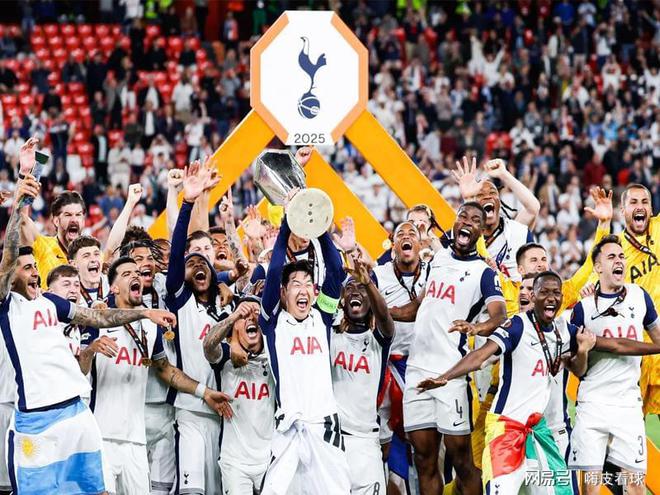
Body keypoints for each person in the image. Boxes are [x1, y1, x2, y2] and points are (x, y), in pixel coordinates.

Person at [0, 175, 177, 495]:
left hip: (75, 413)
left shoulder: (51, 302)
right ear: (11, 278)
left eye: (35, 267)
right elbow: (9, 257)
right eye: (27, 268)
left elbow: (96, 316)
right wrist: (19, 206)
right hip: (35, 419)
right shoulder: (8, 306)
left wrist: (143, 313)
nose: (35, 272)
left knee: (96, 491)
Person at [418, 271, 660, 494]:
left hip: (537, 432)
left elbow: (616, 344)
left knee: (561, 490)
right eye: (544, 292)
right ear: (533, 296)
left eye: (556, 292)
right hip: (507, 430)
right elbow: (480, 355)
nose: (551, 297)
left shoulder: (564, 330)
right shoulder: (517, 326)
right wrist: (445, 377)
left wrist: (656, 347)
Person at [86, 256, 231, 495]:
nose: (135, 276)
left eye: (136, 272)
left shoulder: (149, 326)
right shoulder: (97, 320)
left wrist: (204, 392)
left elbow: (166, 370)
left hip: (136, 440)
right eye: (126, 274)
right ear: (113, 287)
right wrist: (90, 350)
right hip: (102, 436)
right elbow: (80, 368)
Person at [394, 202, 507, 495]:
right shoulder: (438, 259)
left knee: (461, 460)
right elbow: (419, 307)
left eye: (475, 219)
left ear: (481, 230)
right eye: (462, 216)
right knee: (424, 459)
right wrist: (385, 311)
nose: (467, 222)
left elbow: (499, 316)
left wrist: (477, 327)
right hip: (416, 371)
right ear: (455, 224)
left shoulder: (484, 273)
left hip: (451, 374)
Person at [259, 189, 351, 495]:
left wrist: (319, 225)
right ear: (283, 293)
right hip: (289, 428)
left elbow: (336, 270)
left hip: (325, 425)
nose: (303, 289)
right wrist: (288, 221)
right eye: (295, 284)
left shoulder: (322, 317)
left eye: (308, 284)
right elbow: (274, 271)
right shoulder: (273, 323)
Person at [569, 236, 660, 494]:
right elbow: (577, 369)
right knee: (591, 485)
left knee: (635, 483)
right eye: (611, 257)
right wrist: (583, 351)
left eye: (621, 256)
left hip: (628, 403)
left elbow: (658, 338)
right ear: (597, 267)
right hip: (592, 404)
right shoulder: (583, 308)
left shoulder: (639, 297)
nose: (619, 261)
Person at [166, 160, 230, 494]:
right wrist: (188, 202)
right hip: (190, 412)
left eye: (203, 262)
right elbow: (178, 251)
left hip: (227, 417)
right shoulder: (182, 302)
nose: (197, 266)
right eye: (190, 264)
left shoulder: (228, 306)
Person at [371, 220, 429, 491]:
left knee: (425, 445)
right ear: (393, 245)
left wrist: (385, 312)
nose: (406, 237)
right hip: (386, 367)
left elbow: (419, 309)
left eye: (412, 233)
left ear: (420, 243)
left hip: (424, 366)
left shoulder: (435, 272)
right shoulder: (378, 275)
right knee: (385, 444)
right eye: (400, 234)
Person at [332, 257, 394, 494]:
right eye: (350, 287)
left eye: (362, 288)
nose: (355, 292)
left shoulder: (379, 340)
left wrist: (368, 282)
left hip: (366, 442)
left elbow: (385, 319)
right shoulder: (329, 336)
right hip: (332, 440)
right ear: (343, 299)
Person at [118, 238, 175, 494]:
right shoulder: (112, 304)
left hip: (166, 403)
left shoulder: (164, 288)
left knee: (159, 487)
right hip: (133, 407)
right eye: (138, 259)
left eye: (150, 258)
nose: (146, 263)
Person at [203, 295, 275, 494]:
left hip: (270, 459)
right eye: (244, 315)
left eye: (256, 313)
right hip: (235, 463)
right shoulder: (226, 357)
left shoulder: (275, 355)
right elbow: (208, 345)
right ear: (235, 327)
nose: (250, 317)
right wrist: (233, 316)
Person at [453, 156, 540, 282]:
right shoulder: (464, 236)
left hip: (515, 294)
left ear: (499, 201)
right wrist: (469, 199)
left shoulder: (515, 231)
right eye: (480, 195)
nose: (487, 197)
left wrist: (504, 174)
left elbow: (533, 208)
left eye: (493, 193)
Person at [17, 138, 87, 288]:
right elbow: (22, 220)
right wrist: (26, 174)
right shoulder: (44, 246)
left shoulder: (91, 255)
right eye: (68, 215)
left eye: (78, 215)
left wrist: (130, 202)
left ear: (83, 221)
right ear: (56, 221)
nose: (74, 220)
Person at [616, 184, 660, 414]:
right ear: (622, 210)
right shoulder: (614, 250)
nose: (640, 206)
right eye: (633, 202)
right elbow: (590, 279)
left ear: (651, 209)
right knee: (631, 421)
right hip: (635, 347)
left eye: (644, 202)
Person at [67, 236, 108, 308]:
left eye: (96, 254)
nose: (93, 259)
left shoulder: (113, 285)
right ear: (73, 264)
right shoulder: (69, 293)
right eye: (86, 256)